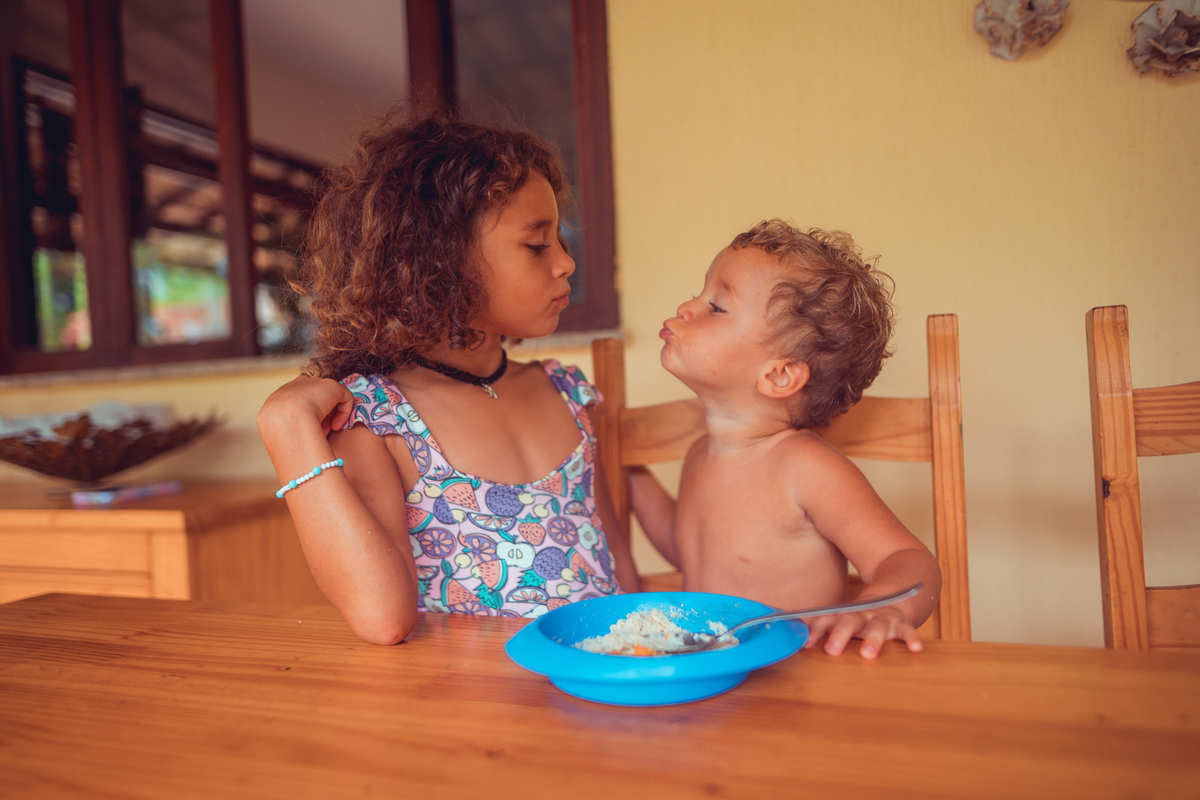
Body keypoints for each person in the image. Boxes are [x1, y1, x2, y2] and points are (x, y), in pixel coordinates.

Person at [257, 109, 639, 646]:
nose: (566, 263)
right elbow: (381, 618)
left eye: (560, 241)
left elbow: (621, 574)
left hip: (597, 692)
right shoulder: (377, 420)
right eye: (537, 245)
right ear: (439, 260)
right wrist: (287, 428)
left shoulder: (569, 393)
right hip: (469, 715)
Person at [630, 219, 942, 659]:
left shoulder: (806, 468)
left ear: (778, 375)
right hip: (712, 678)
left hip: (797, 686)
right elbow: (687, 549)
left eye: (717, 306)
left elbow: (909, 559)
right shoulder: (699, 454)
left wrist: (882, 610)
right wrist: (627, 473)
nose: (686, 307)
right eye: (700, 292)